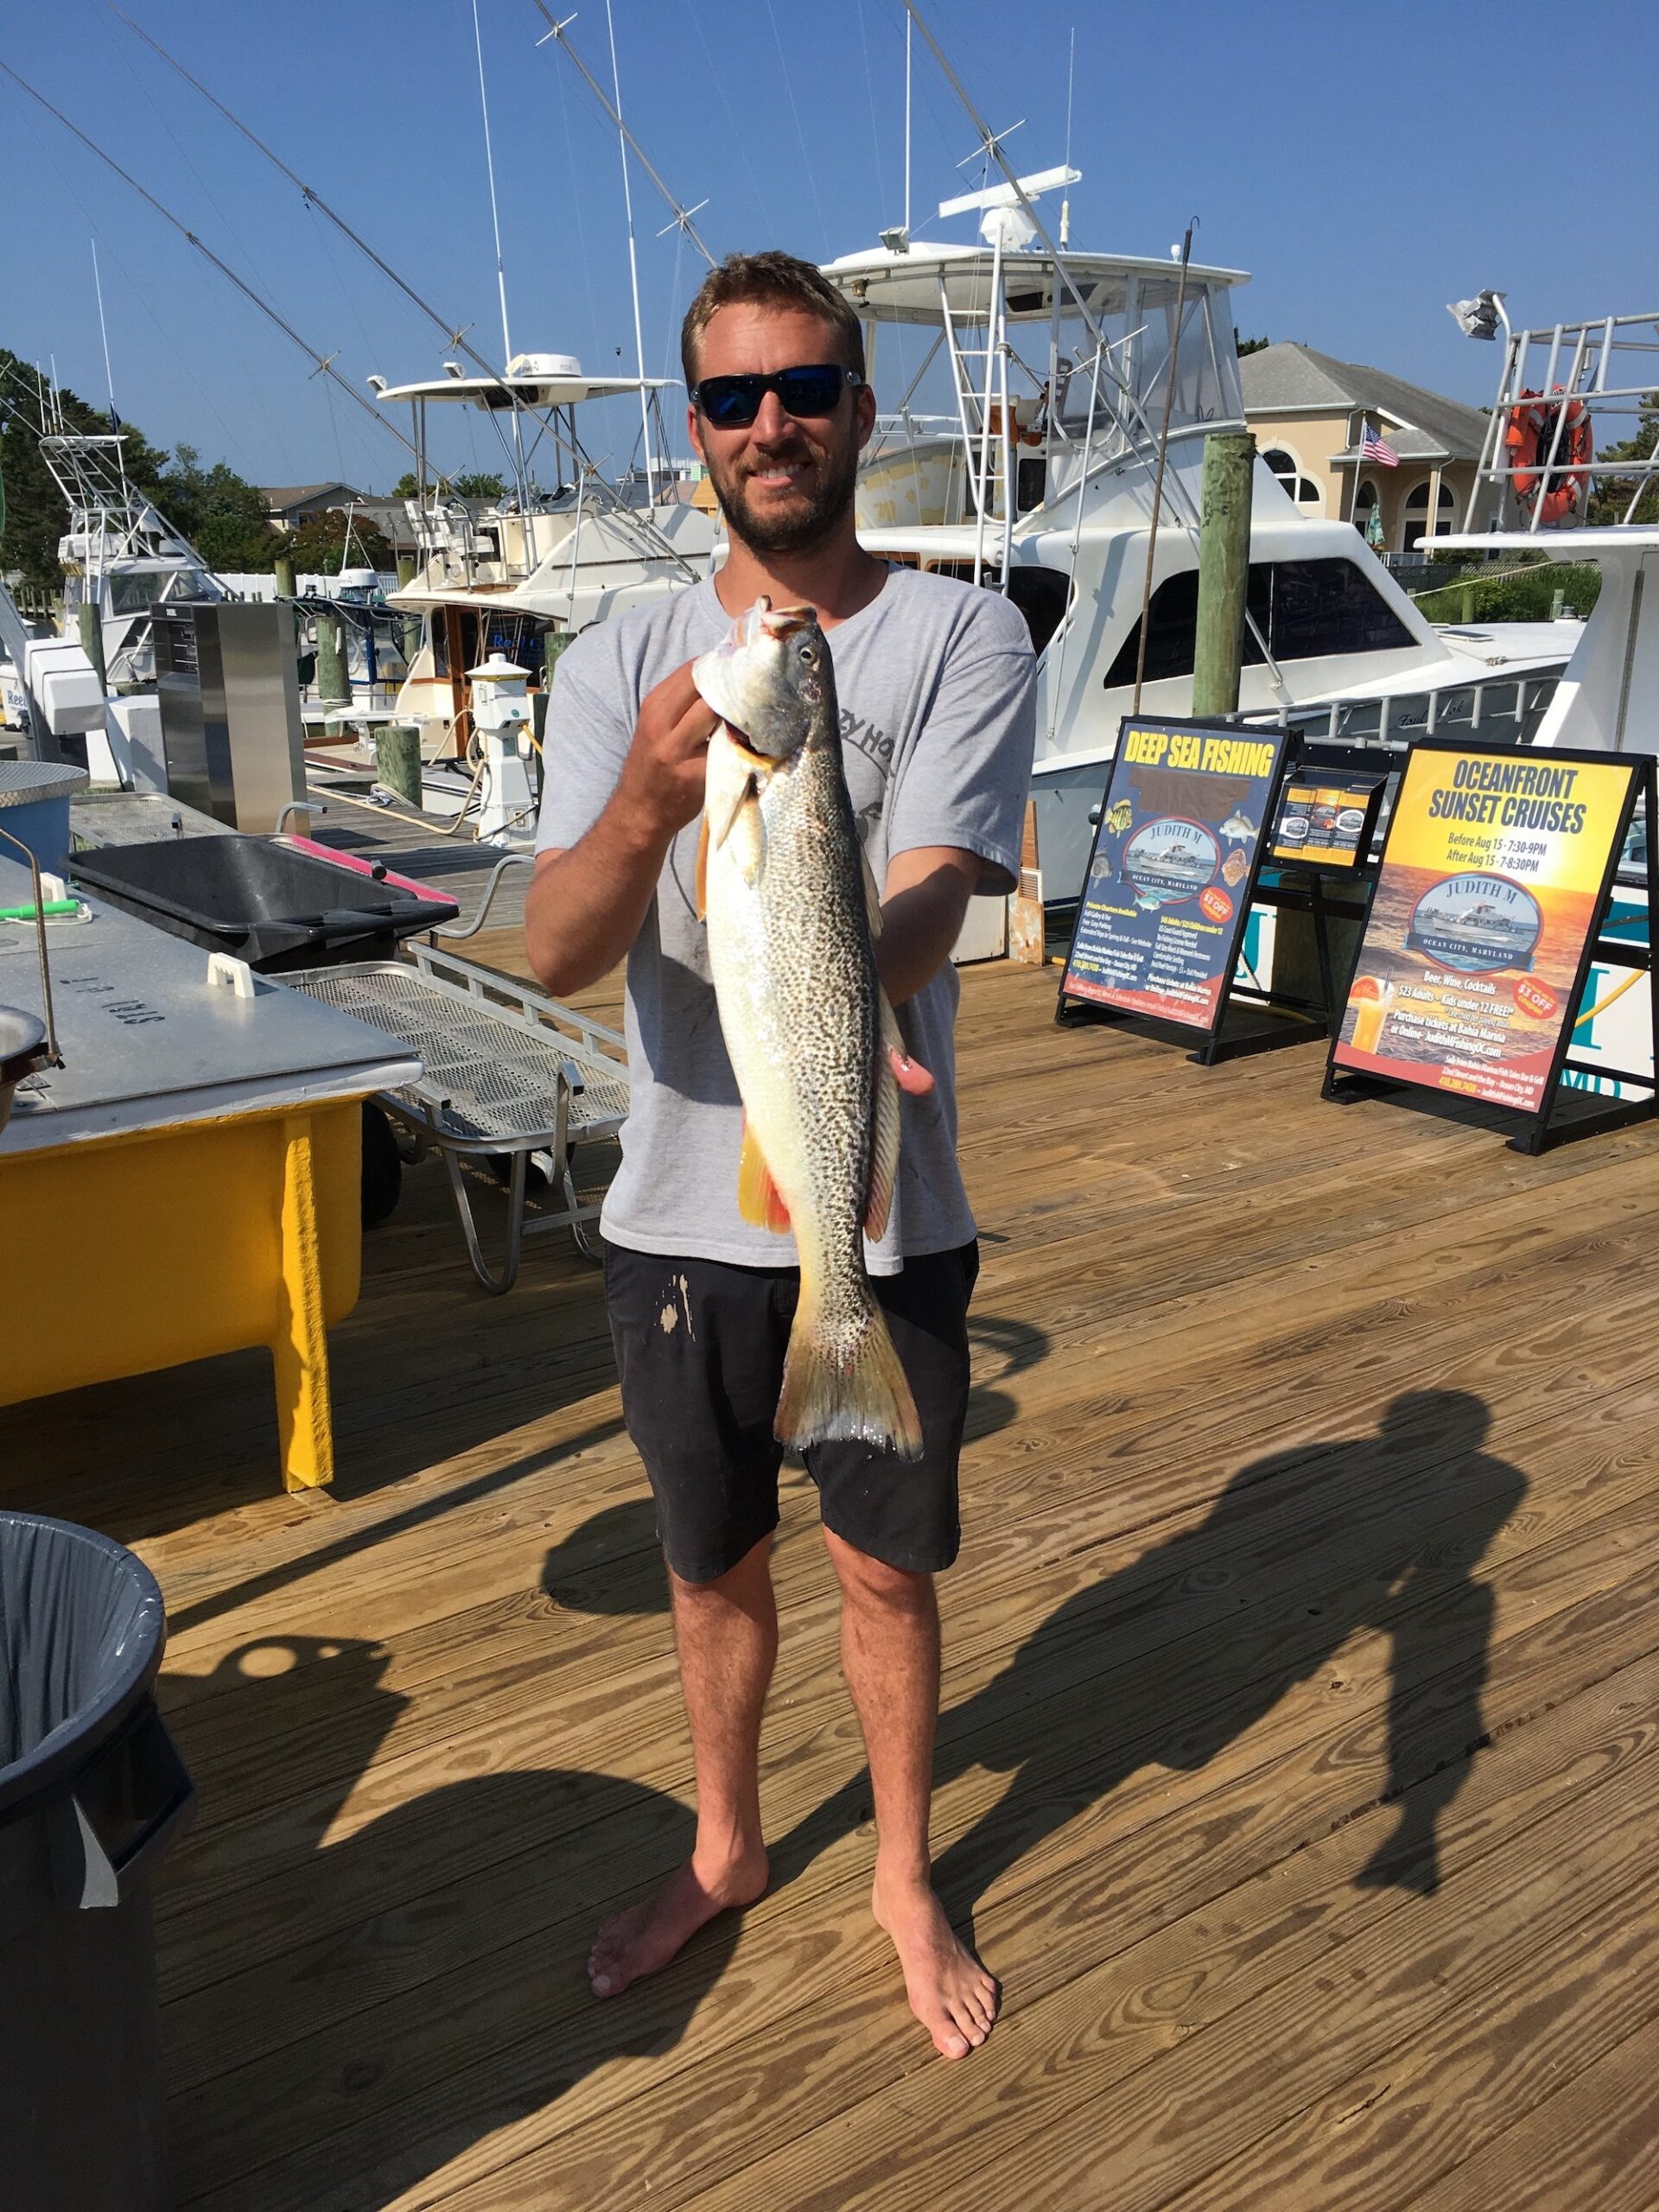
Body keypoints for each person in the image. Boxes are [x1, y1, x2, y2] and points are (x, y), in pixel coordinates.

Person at [525, 250, 1036, 2060]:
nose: (773, 426)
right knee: (708, 1560)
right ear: (694, 434)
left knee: (887, 1566)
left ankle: (902, 1867)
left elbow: (934, 895)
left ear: (859, 414)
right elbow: (560, 946)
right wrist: (652, 801)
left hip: (878, 1200)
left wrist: (853, 975)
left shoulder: (965, 634)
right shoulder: (620, 662)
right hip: (675, 1212)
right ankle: (728, 1843)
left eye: (806, 390)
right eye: (736, 398)